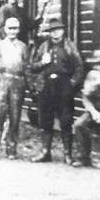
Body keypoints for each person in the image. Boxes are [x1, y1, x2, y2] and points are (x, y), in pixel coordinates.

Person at [29, 17, 83, 164]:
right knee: (45, 120)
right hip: (47, 86)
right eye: (52, 31)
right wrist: (42, 62)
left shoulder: (70, 47)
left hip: (64, 87)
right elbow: (32, 67)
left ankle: (67, 154)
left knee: (66, 120)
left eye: (58, 30)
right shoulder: (43, 47)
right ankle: (45, 152)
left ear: (63, 30)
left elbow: (79, 68)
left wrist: (71, 84)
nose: (55, 33)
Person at [0, 16, 33, 160]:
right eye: (10, 28)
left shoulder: (23, 47)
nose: (12, 31)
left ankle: (11, 150)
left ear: (19, 29)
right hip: (1, 83)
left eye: (15, 28)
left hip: (18, 83)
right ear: (5, 29)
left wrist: (32, 87)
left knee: (15, 118)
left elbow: (27, 68)